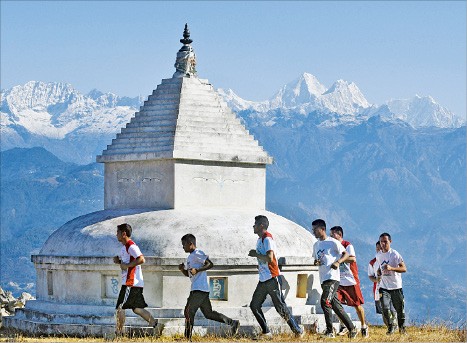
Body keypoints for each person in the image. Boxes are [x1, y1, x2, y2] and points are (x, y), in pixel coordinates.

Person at [248, 215, 304, 339]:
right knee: (254, 305)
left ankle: (297, 330)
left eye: (255, 224)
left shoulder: (267, 239)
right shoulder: (259, 240)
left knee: (280, 307)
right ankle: (266, 332)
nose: (253, 226)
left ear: (261, 225)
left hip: (272, 278)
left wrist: (255, 254)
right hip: (263, 279)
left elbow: (270, 258)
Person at [179, 233, 240, 340]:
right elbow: (189, 274)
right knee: (209, 314)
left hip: (198, 289)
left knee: (188, 311)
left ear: (191, 244)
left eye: (184, 244)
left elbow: (210, 264)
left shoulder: (198, 253)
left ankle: (187, 338)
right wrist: (182, 269)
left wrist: (197, 270)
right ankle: (233, 323)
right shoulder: (190, 257)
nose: (183, 247)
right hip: (201, 289)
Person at [311, 219, 358, 339]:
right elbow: (317, 259)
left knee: (325, 301)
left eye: (315, 229)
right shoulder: (316, 245)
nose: (313, 232)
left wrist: (338, 262)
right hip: (323, 278)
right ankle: (352, 328)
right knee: (336, 305)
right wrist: (316, 262)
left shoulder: (333, 242)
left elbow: (346, 254)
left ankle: (330, 331)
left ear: (322, 229)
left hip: (332, 277)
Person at [113, 223, 158, 336]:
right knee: (137, 308)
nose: (116, 234)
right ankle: (155, 324)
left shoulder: (131, 246)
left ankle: (119, 333)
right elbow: (127, 263)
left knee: (120, 307)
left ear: (124, 234)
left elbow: (141, 259)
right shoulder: (125, 247)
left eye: (118, 232)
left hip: (130, 282)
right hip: (134, 283)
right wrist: (119, 262)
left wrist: (127, 266)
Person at [329, 226, 368, 338]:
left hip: (350, 279)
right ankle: (344, 325)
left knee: (357, 305)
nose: (331, 237)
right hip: (339, 280)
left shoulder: (347, 245)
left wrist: (338, 260)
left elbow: (352, 259)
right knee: (335, 303)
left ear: (339, 234)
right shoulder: (333, 247)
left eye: (332, 235)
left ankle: (364, 326)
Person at [376, 232, 407, 335]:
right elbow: (380, 267)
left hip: (396, 286)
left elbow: (404, 268)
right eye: (381, 242)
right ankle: (390, 327)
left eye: (385, 241)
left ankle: (402, 329)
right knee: (384, 307)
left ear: (390, 241)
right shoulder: (378, 255)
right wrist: (379, 271)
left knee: (399, 310)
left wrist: (392, 268)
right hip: (384, 287)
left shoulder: (395, 254)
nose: (383, 244)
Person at [368, 241, 397, 328]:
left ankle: (394, 325)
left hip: (391, 287)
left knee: (393, 309)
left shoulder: (391, 259)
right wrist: (377, 279)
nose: (379, 250)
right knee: (384, 311)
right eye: (377, 249)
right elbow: (370, 276)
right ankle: (389, 326)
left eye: (380, 248)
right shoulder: (373, 262)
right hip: (378, 290)